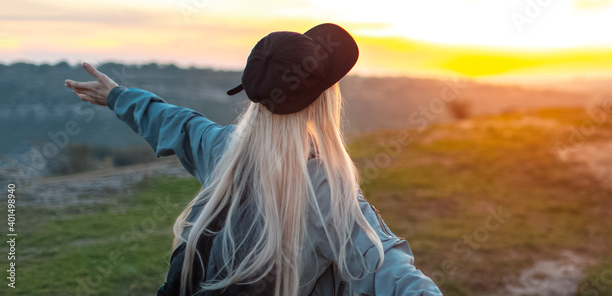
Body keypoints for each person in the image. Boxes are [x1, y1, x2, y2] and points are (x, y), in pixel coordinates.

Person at [64, 23, 442, 296]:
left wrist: (117, 96)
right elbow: (387, 269)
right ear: (322, 102)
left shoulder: (223, 149)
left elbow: (174, 121)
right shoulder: (326, 191)